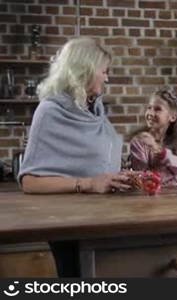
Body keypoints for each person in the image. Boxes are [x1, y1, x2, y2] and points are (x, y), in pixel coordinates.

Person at [18, 37, 130, 277]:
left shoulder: (95, 109)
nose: (107, 78)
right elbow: (30, 181)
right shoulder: (49, 111)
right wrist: (89, 183)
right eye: (104, 71)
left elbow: (99, 161)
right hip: (68, 222)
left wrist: (120, 176)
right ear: (85, 70)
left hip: (104, 219)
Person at [128, 87, 177, 187]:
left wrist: (162, 153)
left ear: (172, 117)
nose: (150, 113)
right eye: (149, 107)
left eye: (157, 109)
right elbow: (141, 174)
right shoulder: (139, 141)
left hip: (173, 191)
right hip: (148, 191)